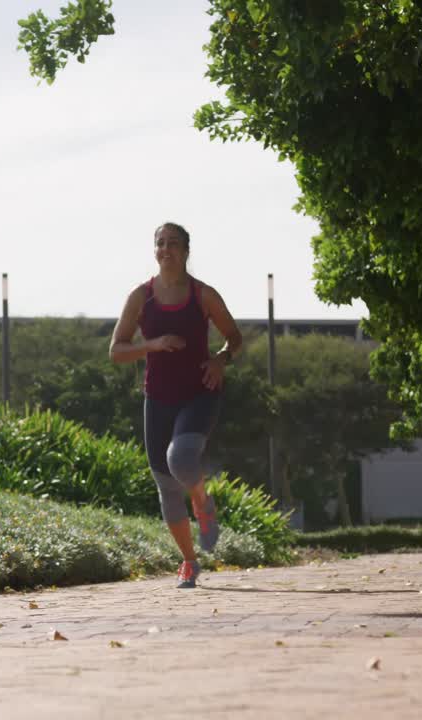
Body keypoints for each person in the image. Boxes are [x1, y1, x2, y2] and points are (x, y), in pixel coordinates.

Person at [109, 222, 243, 588]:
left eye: (173, 243)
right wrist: (152, 345)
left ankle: (201, 500)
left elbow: (234, 337)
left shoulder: (203, 295)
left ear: (186, 251)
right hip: (159, 398)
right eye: (160, 243)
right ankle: (189, 561)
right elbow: (117, 351)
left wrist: (220, 360)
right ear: (155, 251)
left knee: (181, 459)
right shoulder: (141, 297)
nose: (166, 249)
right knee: (166, 486)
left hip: (200, 391)